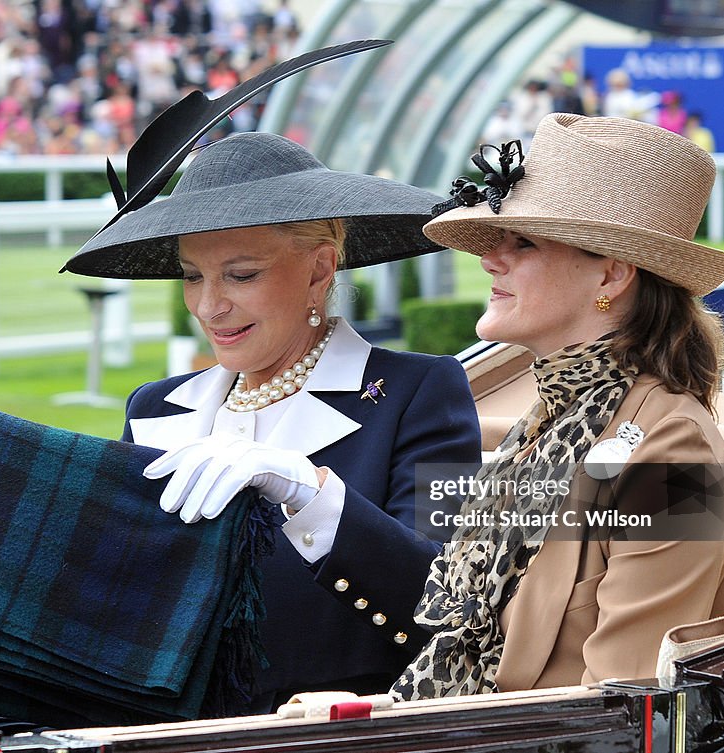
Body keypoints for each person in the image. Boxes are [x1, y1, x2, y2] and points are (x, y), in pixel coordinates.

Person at [67, 130, 483, 712]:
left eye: (240, 275)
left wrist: (311, 496)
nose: (209, 306)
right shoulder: (154, 407)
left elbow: (451, 603)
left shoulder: (416, 393)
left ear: (319, 270)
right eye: (192, 275)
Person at [391, 112, 724, 700]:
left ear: (611, 273)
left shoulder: (671, 449)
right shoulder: (550, 421)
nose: (490, 259)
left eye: (523, 242)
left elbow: (619, 713)